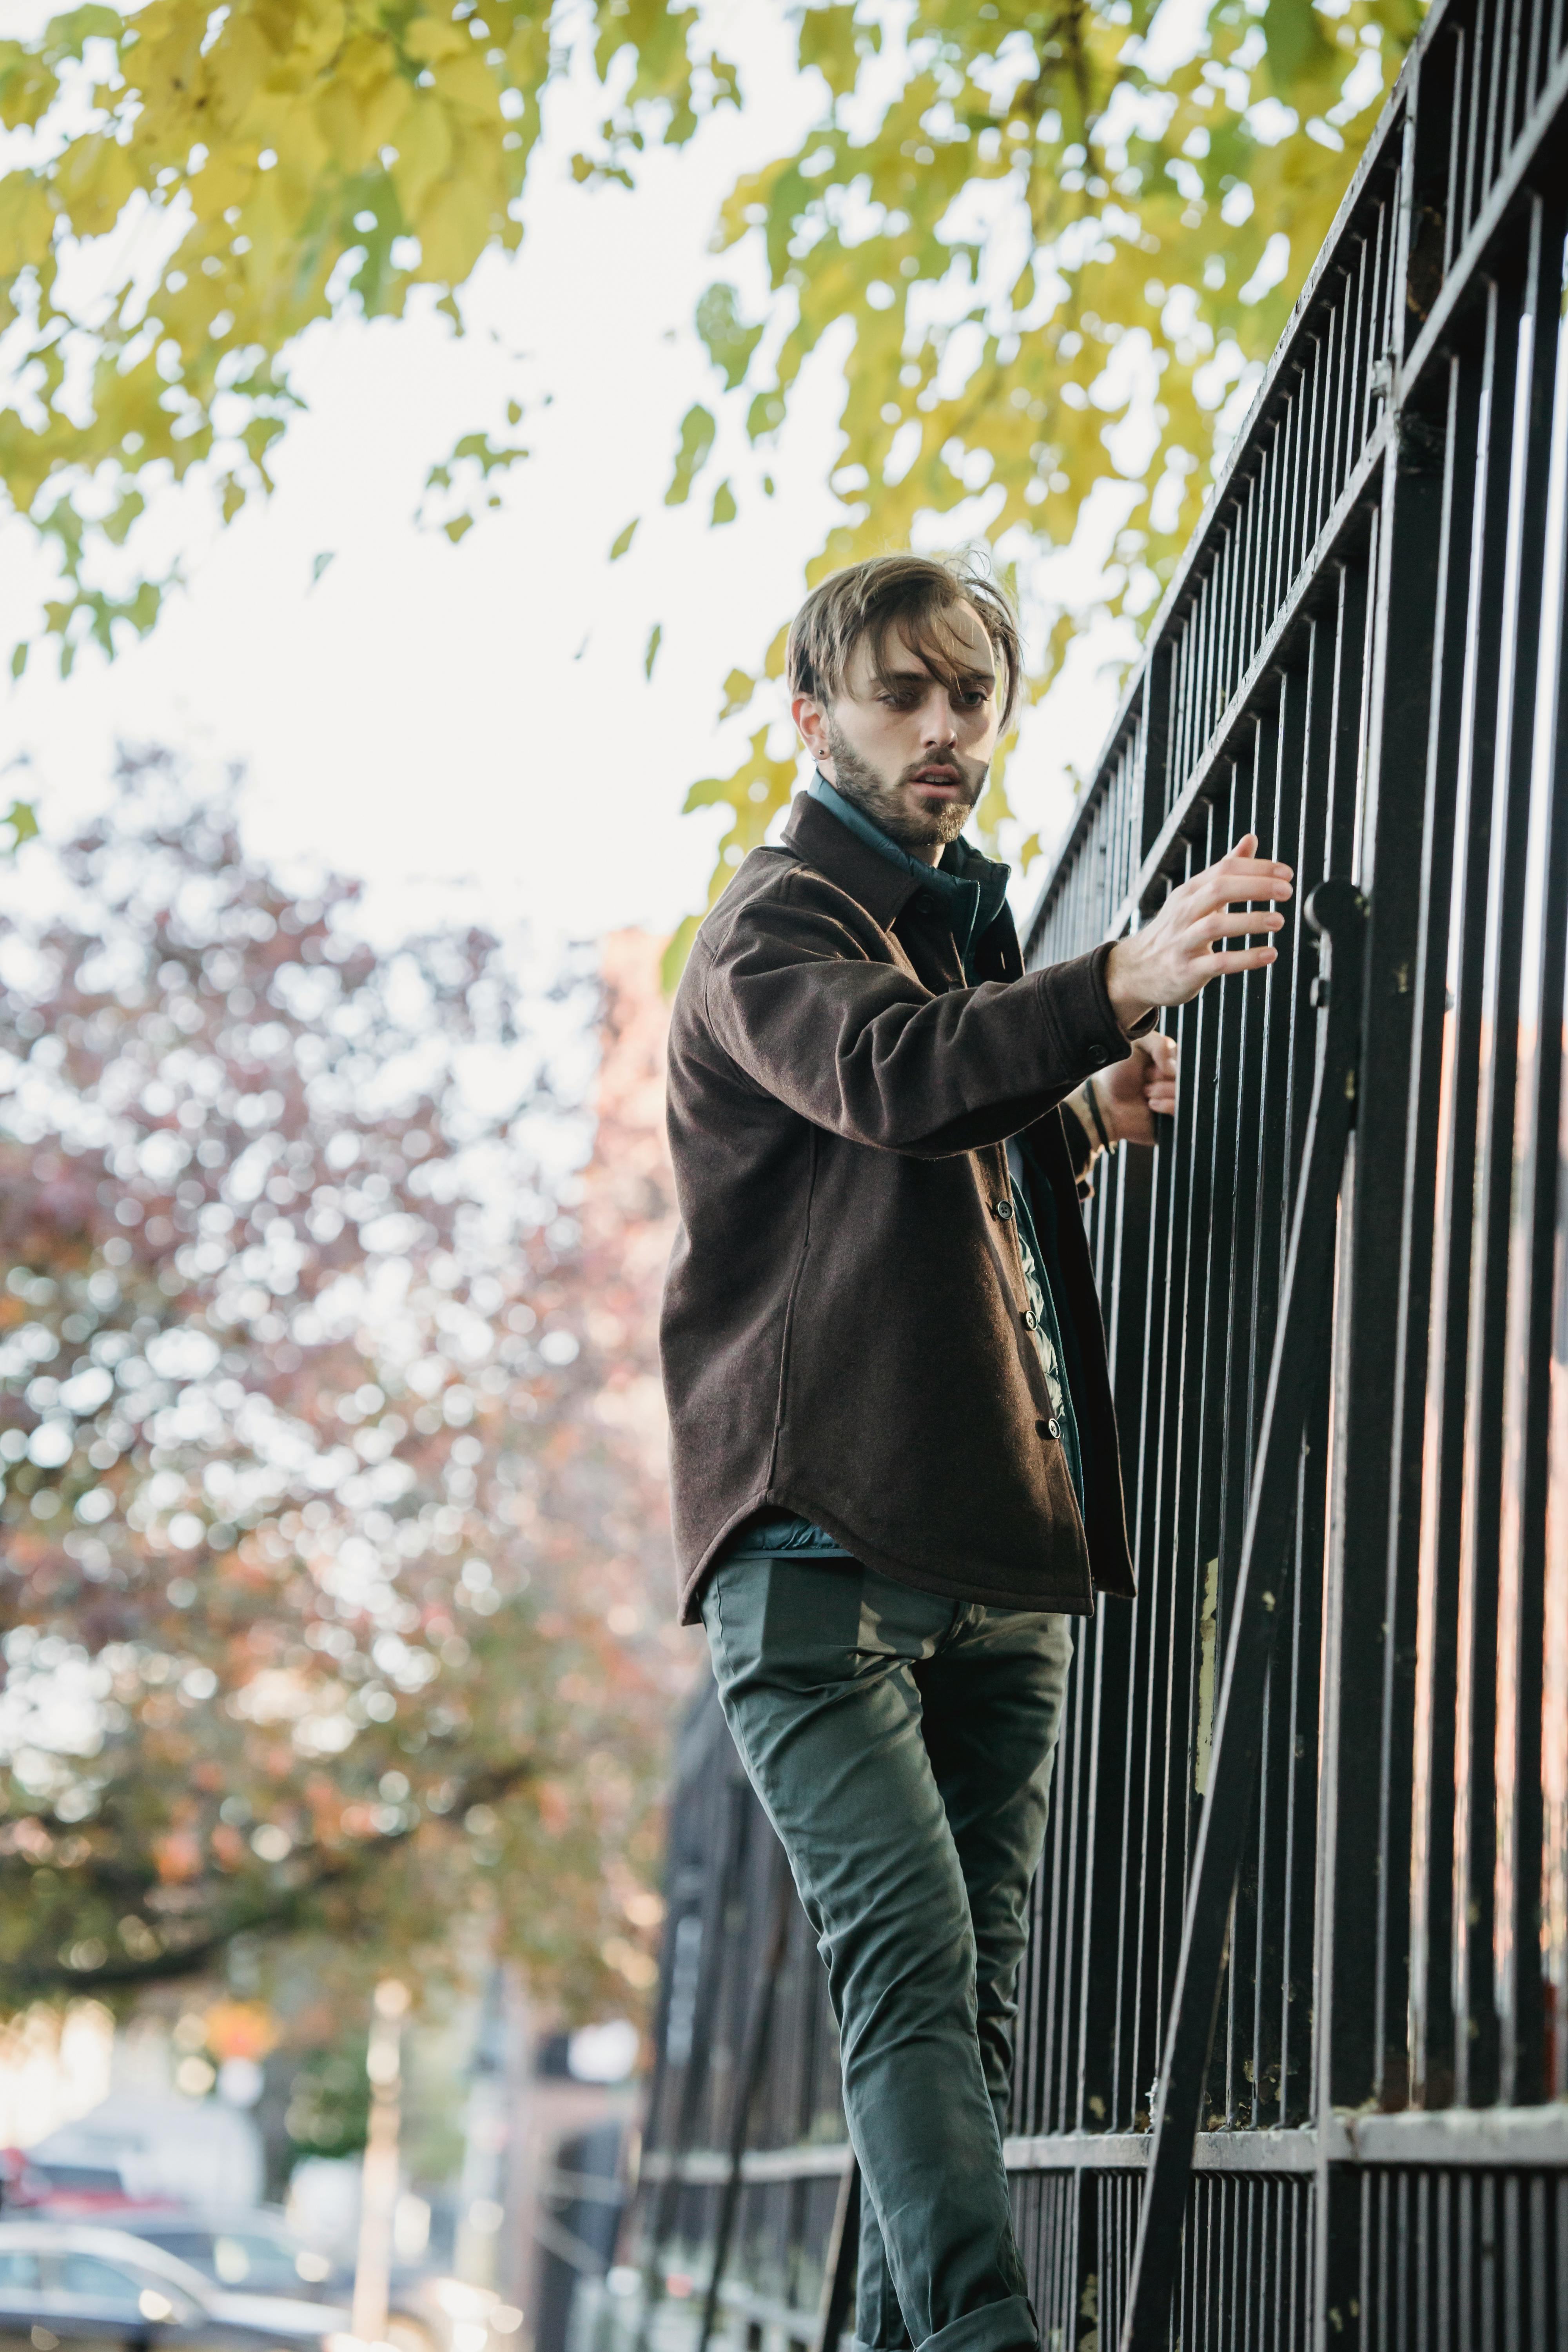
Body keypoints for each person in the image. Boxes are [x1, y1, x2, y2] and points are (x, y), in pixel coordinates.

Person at [659, 553, 1293, 2352]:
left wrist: (1074, 1122)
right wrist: (1109, 988)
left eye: (969, 697)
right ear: (813, 720)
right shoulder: (774, 928)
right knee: (915, 1978)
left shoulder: (956, 928)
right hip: (815, 1556)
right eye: (901, 697)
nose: (945, 730)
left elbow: (935, 1182)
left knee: (958, 2006)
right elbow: (892, 1080)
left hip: (994, 1547)